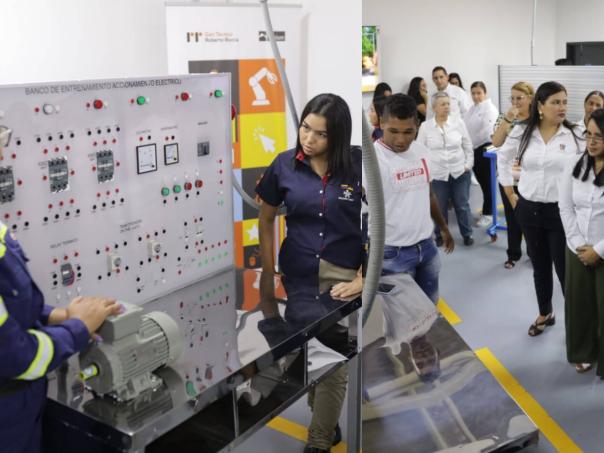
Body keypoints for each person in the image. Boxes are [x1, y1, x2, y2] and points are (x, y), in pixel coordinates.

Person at [0, 128, 121, 453]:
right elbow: (18, 358)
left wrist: (56, 315)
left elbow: (11, 301)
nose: (2, 152)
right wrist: (77, 328)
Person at [256, 93, 362, 453]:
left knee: (333, 360)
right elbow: (266, 218)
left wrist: (364, 276)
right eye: (305, 128)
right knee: (309, 352)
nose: (309, 139)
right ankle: (328, 424)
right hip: (297, 273)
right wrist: (267, 271)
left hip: (341, 278)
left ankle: (318, 442)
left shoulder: (358, 164)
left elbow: (381, 219)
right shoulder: (284, 165)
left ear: (338, 136)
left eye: (320, 134)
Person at [498, 81, 583, 336]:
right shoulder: (523, 132)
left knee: (566, 273)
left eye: (564, 102)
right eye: (555, 102)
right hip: (529, 210)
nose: (562, 107)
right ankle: (546, 313)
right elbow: (503, 157)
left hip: (562, 213)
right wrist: (510, 193)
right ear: (540, 106)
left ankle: (578, 329)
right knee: (540, 266)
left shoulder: (575, 135)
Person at [373, 93, 454, 302]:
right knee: (401, 316)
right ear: (381, 123)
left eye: (408, 132)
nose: (401, 140)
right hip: (392, 253)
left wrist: (443, 228)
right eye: (393, 131)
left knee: (430, 309)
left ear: (417, 126)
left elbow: (429, 194)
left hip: (427, 246)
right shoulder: (371, 162)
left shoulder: (422, 152)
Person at [559, 107, 604, 375]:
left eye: (599, 136)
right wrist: (578, 244)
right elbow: (565, 206)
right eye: (589, 134)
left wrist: (598, 250)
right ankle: (583, 351)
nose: (592, 141)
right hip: (576, 248)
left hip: (602, 249)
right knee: (579, 304)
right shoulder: (574, 162)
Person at [418, 92, 475, 246]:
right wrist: (426, 173)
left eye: (448, 103)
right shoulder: (425, 127)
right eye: (443, 104)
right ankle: (440, 235)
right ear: (434, 107)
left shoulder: (458, 123)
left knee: (462, 205)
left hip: (459, 172)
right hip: (437, 175)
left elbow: (468, 145)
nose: (447, 107)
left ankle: (467, 234)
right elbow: (420, 152)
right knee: (439, 207)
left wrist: (468, 165)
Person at [491, 81, 534, 268]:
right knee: (512, 217)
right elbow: (496, 142)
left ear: (530, 98)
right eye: (512, 98)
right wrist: (508, 119)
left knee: (532, 219)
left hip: (530, 178)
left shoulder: (538, 119)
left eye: (519, 98)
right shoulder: (505, 117)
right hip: (508, 178)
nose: (515, 102)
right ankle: (513, 254)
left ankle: (534, 252)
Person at [464, 81, 499, 227]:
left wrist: (471, 145)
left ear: (485, 93)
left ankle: (489, 214)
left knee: (487, 183)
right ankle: (487, 209)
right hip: (475, 149)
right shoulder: (473, 108)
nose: (476, 96)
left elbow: (487, 133)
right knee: (483, 183)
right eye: (473, 93)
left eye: (479, 93)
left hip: (485, 148)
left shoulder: (489, 109)